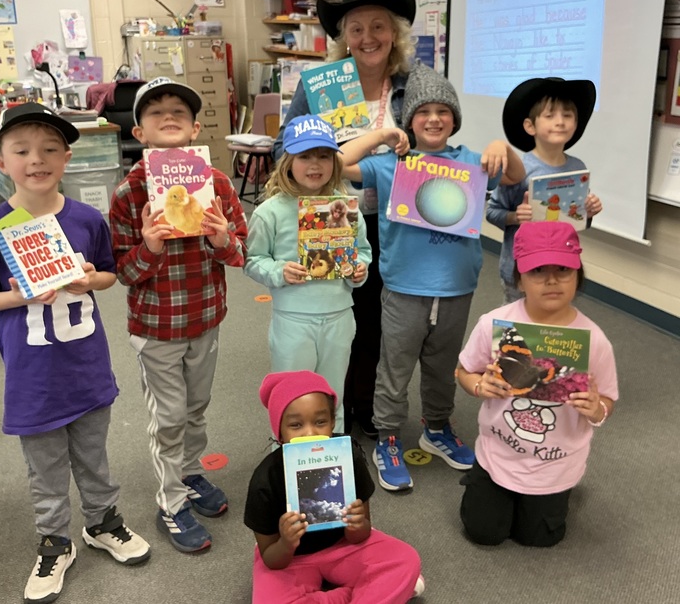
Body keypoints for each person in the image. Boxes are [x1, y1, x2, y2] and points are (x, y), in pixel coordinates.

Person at [0, 103, 151, 604]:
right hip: (33, 375)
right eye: (22, 150)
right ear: (0, 161)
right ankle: (54, 542)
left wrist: (90, 279)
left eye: (49, 150)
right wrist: (21, 294)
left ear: (67, 158)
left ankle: (102, 522)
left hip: (86, 367)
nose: (36, 160)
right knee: (45, 469)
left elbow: (109, 273)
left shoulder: (86, 218)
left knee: (94, 457)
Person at [339, 71, 526, 491]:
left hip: (457, 288)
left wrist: (504, 148)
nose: (434, 118)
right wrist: (382, 135)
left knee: (444, 367)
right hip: (404, 289)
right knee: (394, 368)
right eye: (423, 112)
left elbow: (514, 176)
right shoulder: (392, 164)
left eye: (443, 111)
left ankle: (437, 427)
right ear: (410, 120)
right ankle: (388, 437)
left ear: (455, 119)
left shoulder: (472, 161)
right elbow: (339, 162)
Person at [273, 0, 431, 439]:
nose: (368, 38)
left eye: (378, 26)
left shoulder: (412, 85)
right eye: (356, 29)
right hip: (331, 219)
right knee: (333, 317)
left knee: (379, 319)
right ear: (344, 38)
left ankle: (365, 405)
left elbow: (432, 149)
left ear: (394, 34)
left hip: (394, 221)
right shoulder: (321, 86)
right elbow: (284, 147)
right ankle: (323, 412)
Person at [108, 77, 248, 553]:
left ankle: (189, 472)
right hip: (157, 328)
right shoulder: (130, 193)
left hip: (205, 319)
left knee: (195, 408)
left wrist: (222, 239)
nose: (168, 117)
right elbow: (123, 272)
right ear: (139, 133)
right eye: (155, 112)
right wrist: (149, 246)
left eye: (179, 112)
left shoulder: (217, 184)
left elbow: (240, 253)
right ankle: (170, 500)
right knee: (168, 417)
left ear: (194, 130)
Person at [456, 221, 618, 546]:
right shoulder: (494, 324)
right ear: (519, 278)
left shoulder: (594, 340)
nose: (551, 280)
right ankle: (484, 482)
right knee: (483, 532)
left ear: (578, 276)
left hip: (555, 464)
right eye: (538, 271)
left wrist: (596, 409)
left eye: (563, 270)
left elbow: (607, 400)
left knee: (540, 538)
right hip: (499, 454)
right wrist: (479, 386)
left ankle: (554, 496)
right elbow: (463, 371)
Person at [244, 370, 424, 603]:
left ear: (332, 422)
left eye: (320, 422)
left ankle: (352, 592)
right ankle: (352, 594)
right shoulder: (265, 480)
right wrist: (286, 543)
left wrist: (356, 525)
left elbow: (361, 535)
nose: (310, 433)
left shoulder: (348, 456)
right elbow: (271, 559)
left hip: (343, 547)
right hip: (293, 560)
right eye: (296, 425)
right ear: (280, 432)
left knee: (406, 560)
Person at [245, 115, 371, 434]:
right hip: (293, 320)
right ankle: (285, 454)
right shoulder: (270, 211)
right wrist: (279, 270)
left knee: (332, 394)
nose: (315, 164)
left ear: (334, 162)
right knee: (291, 396)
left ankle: (332, 453)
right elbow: (253, 259)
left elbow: (362, 251)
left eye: (324, 156)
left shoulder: (344, 208)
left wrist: (359, 269)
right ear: (288, 161)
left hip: (339, 316)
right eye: (305, 156)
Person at [486, 77, 603, 303]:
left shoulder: (577, 168)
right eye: (550, 116)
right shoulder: (519, 169)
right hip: (521, 270)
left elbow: (576, 222)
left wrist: (588, 212)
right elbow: (492, 212)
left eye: (567, 115)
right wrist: (515, 217)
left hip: (560, 267)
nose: (560, 122)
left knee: (553, 320)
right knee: (517, 320)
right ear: (530, 126)